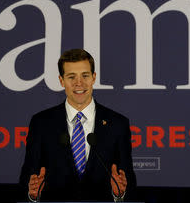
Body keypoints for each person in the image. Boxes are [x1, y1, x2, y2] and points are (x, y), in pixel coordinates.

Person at [19, 48, 136, 202]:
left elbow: (129, 182)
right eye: (71, 77)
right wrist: (32, 194)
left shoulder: (118, 124)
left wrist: (120, 194)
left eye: (85, 76)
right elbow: (27, 178)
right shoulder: (41, 123)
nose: (79, 83)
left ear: (94, 78)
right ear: (61, 80)